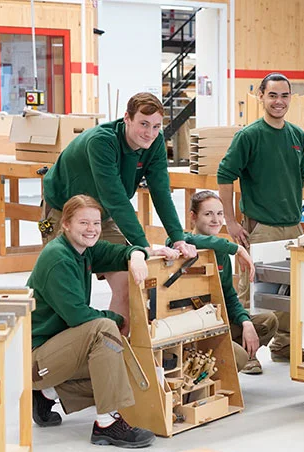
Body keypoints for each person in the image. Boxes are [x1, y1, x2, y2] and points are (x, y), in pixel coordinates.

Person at [40, 92, 196, 334]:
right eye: (144, 124)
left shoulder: (154, 144)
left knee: (127, 284)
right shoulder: (102, 142)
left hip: (102, 213)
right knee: (68, 293)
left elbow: (161, 193)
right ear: (127, 118)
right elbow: (116, 200)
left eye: (156, 126)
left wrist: (179, 238)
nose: (150, 133)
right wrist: (143, 247)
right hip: (65, 211)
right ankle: (66, 355)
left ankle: (115, 352)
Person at [28, 195, 157, 447]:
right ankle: (106, 424)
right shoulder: (58, 258)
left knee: (126, 366)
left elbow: (121, 252)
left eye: (96, 223)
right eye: (84, 223)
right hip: (34, 358)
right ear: (65, 224)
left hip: (58, 351)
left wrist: (138, 255)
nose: (92, 229)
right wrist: (116, 318)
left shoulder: (85, 250)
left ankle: (47, 393)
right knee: (104, 329)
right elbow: (78, 316)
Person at [217, 73, 304, 363]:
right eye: (272, 95)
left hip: (292, 224)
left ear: (291, 98)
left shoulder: (298, 136)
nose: (278, 101)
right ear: (260, 96)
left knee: (290, 288)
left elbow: (299, 177)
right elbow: (225, 176)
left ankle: (285, 345)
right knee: (252, 291)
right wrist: (231, 221)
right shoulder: (249, 136)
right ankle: (245, 353)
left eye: (284, 95)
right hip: (260, 226)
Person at [170, 191, 278, 375]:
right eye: (208, 214)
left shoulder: (220, 252)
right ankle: (214, 366)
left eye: (220, 214)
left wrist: (246, 323)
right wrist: (234, 247)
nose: (216, 220)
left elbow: (228, 294)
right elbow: (186, 239)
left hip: (217, 320)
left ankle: (229, 353)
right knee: (238, 358)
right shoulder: (181, 244)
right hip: (190, 326)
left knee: (267, 321)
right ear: (193, 217)